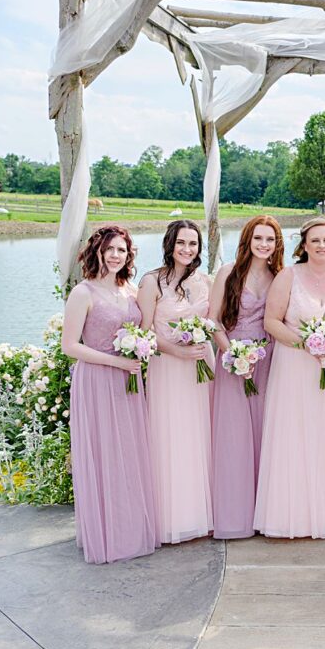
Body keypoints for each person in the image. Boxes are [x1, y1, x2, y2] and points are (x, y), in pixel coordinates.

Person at [253, 217, 325, 539]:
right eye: (315, 241)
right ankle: (291, 515)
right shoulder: (288, 275)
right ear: (305, 245)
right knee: (295, 432)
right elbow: (271, 321)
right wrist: (305, 343)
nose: (322, 246)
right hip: (294, 363)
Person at [61, 225, 159, 564]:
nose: (116, 255)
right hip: (98, 380)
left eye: (122, 249)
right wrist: (116, 362)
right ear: (97, 252)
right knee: (104, 453)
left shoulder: (131, 290)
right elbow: (70, 346)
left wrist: (140, 352)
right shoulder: (83, 293)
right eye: (110, 249)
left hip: (129, 381)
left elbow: (145, 329)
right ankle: (106, 535)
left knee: (130, 453)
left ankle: (130, 528)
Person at [138, 220, 215, 545]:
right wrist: (176, 352)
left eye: (193, 244)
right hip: (168, 368)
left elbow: (215, 321)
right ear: (170, 245)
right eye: (182, 243)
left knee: (200, 435)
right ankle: (171, 518)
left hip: (200, 367)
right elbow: (143, 332)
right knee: (170, 437)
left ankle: (201, 515)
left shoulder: (205, 281)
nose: (187, 249)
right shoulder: (151, 281)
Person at [207, 215, 284, 540]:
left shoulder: (280, 276)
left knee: (264, 435)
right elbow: (212, 322)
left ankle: (263, 513)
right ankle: (233, 516)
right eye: (259, 239)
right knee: (234, 438)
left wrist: (257, 355)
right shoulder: (228, 272)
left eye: (270, 239)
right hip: (231, 363)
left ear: (277, 244)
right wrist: (233, 355)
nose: (264, 245)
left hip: (267, 363)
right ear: (248, 240)